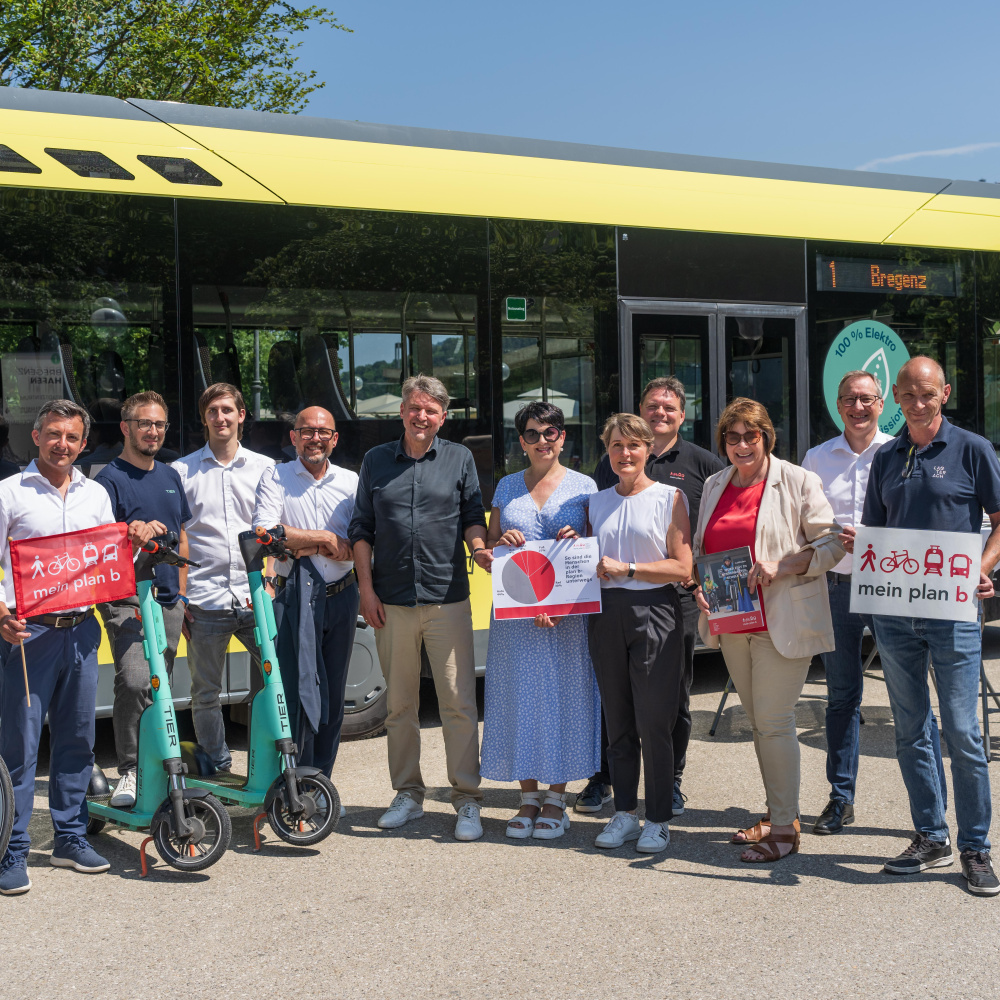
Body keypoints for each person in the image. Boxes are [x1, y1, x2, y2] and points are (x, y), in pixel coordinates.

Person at [0, 400, 154, 895]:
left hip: (82, 630)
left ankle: (68, 838)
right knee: (21, 748)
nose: (61, 445)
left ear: (83, 443)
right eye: (52, 435)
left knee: (77, 741)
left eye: (71, 437)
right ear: (37, 436)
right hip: (28, 636)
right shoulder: (8, 494)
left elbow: (105, 561)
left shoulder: (96, 495)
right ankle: (12, 849)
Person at [859, 356, 1000, 896]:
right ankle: (931, 835)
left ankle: (976, 847)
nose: (918, 404)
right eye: (909, 396)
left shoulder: (972, 449)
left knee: (962, 732)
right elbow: (877, 528)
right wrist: (862, 548)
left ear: (944, 392)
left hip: (954, 614)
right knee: (911, 727)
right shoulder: (888, 456)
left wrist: (980, 570)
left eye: (928, 394)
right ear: (897, 396)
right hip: (894, 615)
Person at [693, 398, 843, 863]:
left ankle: (783, 829)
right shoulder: (716, 484)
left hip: (783, 620)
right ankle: (782, 813)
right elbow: (706, 550)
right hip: (733, 621)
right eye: (732, 437)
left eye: (750, 436)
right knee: (759, 723)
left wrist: (783, 564)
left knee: (775, 723)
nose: (741, 445)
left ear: (766, 437)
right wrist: (702, 586)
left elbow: (832, 543)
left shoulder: (797, 480)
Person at [802, 370, 946, 837]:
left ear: (882, 404)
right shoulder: (816, 457)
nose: (858, 407)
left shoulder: (900, 452)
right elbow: (804, 522)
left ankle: (930, 812)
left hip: (891, 588)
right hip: (838, 587)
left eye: (866, 399)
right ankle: (841, 799)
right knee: (842, 697)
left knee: (911, 702)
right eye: (849, 399)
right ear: (837, 405)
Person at [348, 374, 488, 842]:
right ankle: (407, 794)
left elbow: (472, 518)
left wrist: (480, 549)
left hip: (447, 598)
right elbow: (361, 529)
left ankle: (467, 799)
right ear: (402, 412)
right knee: (400, 705)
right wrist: (365, 590)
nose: (421, 416)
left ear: (442, 417)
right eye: (414, 408)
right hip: (391, 601)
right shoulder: (375, 461)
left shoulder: (460, 458)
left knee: (458, 704)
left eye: (431, 410)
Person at [584, 376, 723, 816]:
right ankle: (617, 795)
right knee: (618, 708)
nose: (626, 453)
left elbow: (711, 536)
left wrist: (713, 588)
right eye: (652, 405)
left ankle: (669, 789)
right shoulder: (600, 490)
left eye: (669, 407)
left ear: (682, 415)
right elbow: (589, 546)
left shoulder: (700, 467)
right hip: (610, 610)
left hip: (673, 601)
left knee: (667, 705)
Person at [477, 402, 601, 840]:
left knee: (564, 697)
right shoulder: (507, 487)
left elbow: (596, 546)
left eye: (551, 432)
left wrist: (582, 539)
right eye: (532, 434)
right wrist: (499, 542)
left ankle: (557, 798)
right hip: (516, 618)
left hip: (567, 618)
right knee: (519, 697)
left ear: (563, 437)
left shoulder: (586, 486)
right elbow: (490, 548)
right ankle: (528, 797)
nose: (542, 441)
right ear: (521, 441)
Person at [587, 413, 693, 854]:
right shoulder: (596, 502)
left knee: (654, 720)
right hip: (605, 614)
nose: (624, 454)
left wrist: (628, 569)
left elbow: (683, 567)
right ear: (607, 451)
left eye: (633, 446)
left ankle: (659, 819)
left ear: (649, 449)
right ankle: (625, 812)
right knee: (618, 719)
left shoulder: (671, 497)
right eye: (616, 446)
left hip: (655, 611)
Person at [95, 391, 190, 809]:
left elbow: (181, 535)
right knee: (135, 680)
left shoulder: (170, 476)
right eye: (144, 424)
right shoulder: (107, 481)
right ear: (125, 428)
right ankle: (131, 770)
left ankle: (157, 767)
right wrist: (127, 533)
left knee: (160, 687)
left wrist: (183, 595)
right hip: (127, 600)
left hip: (168, 600)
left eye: (159, 425)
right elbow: (96, 546)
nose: (152, 432)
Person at [171, 383, 274, 772]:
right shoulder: (182, 472)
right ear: (204, 418)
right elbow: (177, 538)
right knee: (205, 693)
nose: (221, 417)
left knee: (275, 684)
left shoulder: (266, 469)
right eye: (213, 411)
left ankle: (268, 762)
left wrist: (270, 580)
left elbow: (274, 530)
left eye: (228, 410)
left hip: (256, 597)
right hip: (204, 599)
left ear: (241, 415)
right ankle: (217, 766)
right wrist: (180, 598)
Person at [253, 406, 358, 780]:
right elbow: (266, 534)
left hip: (342, 597)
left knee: (332, 697)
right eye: (306, 431)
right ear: (293, 437)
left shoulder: (351, 482)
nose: (315, 438)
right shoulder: (275, 476)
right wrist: (326, 539)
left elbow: (359, 542)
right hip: (291, 599)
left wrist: (298, 541)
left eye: (323, 432)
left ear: (334, 438)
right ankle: (290, 782)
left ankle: (320, 782)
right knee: (294, 696)